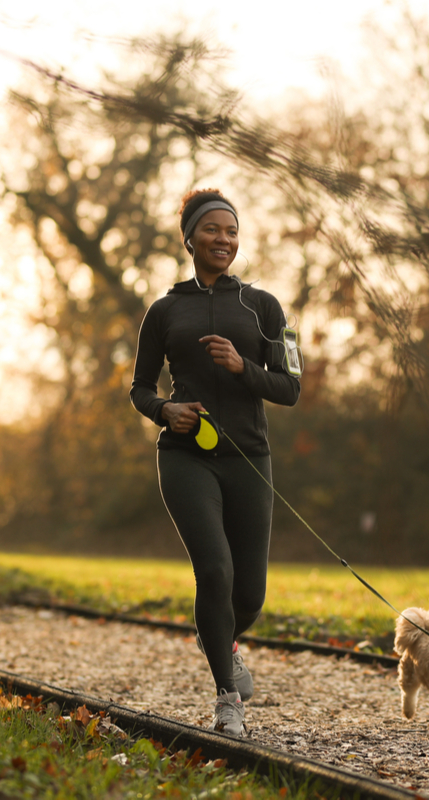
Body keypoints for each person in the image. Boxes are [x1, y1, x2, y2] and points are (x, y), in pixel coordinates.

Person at [130, 188, 301, 737]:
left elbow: (291, 387)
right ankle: (227, 695)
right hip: (186, 455)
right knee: (216, 570)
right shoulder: (163, 310)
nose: (223, 240)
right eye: (212, 230)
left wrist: (242, 367)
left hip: (249, 457)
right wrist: (165, 410)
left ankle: (220, 636)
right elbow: (138, 387)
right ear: (189, 238)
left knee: (249, 591)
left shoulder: (265, 306)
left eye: (231, 231)